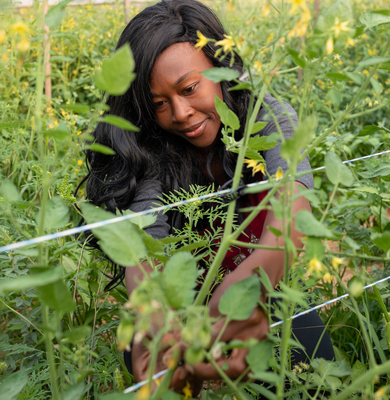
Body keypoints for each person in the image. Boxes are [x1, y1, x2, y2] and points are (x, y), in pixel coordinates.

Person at [83, 0, 334, 395]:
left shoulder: (265, 116)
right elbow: (143, 240)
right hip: (180, 300)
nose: (180, 113)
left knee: (317, 377)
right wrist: (154, 315)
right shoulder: (148, 149)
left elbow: (292, 206)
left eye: (189, 88)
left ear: (221, 70)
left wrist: (246, 290)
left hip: (263, 286)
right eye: (159, 104)